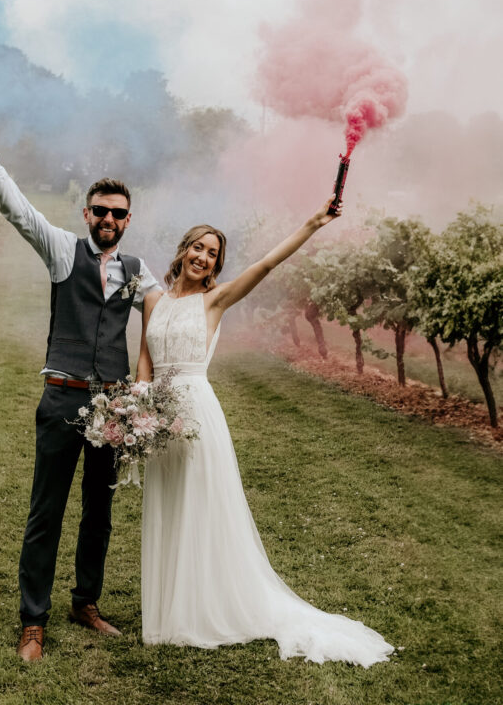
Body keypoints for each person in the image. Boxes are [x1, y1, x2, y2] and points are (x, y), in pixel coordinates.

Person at [135, 200, 395, 665]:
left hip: (195, 411)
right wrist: (138, 405)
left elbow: (268, 263)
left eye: (213, 254)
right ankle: (170, 611)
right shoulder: (152, 299)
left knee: (199, 509)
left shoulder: (214, 300)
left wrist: (313, 222)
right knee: (167, 505)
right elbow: (145, 358)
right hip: (156, 413)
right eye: (198, 247)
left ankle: (201, 610)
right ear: (182, 251)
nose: (204, 258)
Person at [0, 103, 161, 662]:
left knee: (99, 513)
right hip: (62, 400)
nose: (109, 220)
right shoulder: (62, 250)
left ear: (128, 220)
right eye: (100, 211)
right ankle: (33, 621)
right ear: (86, 212)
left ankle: (86, 601)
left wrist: (141, 389)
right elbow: (16, 208)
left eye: (119, 214)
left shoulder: (138, 269)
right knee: (45, 511)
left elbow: (166, 317)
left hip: (113, 411)